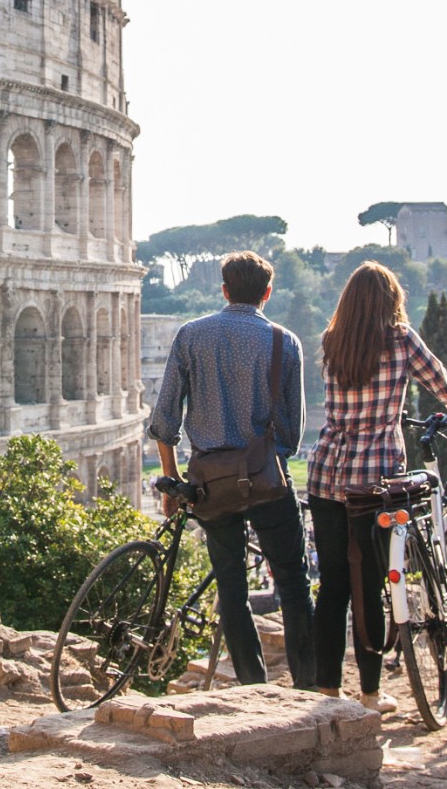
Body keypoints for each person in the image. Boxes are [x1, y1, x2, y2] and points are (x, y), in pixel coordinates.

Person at [305, 261, 447, 712]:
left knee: (332, 586)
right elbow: (446, 389)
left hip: (327, 473)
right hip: (374, 482)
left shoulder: (331, 341)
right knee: (368, 585)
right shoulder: (401, 339)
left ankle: (327, 691)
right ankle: (370, 696)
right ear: (391, 301)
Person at [146, 250, 315, 688]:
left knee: (232, 591)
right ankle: (309, 685)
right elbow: (291, 434)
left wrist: (173, 482)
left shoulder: (190, 335)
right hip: (267, 480)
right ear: (268, 293)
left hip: (210, 483)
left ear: (223, 290)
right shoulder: (285, 342)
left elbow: (165, 420)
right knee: (294, 584)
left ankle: (252, 687)